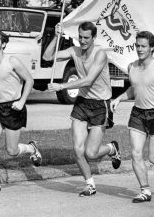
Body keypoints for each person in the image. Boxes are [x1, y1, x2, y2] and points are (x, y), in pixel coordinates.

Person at [43, 21, 121, 197]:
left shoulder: (100, 54)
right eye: (80, 37)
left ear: (94, 37)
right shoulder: (74, 51)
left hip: (100, 105)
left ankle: (111, 148)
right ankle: (90, 184)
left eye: (86, 37)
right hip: (82, 103)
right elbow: (48, 57)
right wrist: (57, 36)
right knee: (78, 150)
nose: (83, 41)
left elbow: (88, 80)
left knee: (91, 153)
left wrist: (62, 86)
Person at [110, 31, 154, 203]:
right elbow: (134, 89)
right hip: (138, 114)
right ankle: (145, 190)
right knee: (135, 153)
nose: (139, 49)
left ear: (151, 48)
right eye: (137, 45)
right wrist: (119, 98)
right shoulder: (132, 66)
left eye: (143, 46)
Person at [0, 30, 42, 194]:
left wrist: (22, 101)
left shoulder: (12, 61)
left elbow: (29, 80)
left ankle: (32, 149)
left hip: (13, 108)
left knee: (11, 151)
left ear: (3, 44)